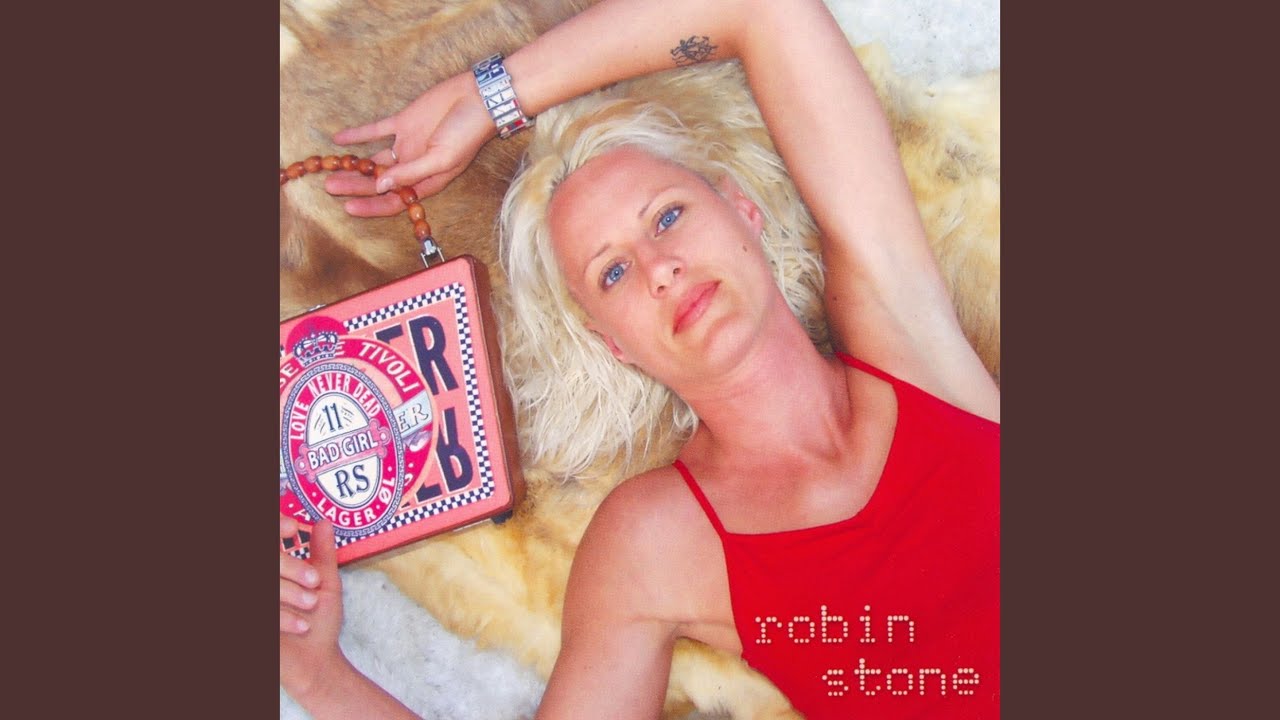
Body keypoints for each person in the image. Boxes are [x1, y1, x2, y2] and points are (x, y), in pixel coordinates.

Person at [279, 0, 1000, 718]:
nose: (660, 268)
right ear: (611, 342)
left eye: (668, 216)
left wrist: (489, 96)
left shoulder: (904, 335)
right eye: (613, 273)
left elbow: (765, 11)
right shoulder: (657, 542)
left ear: (742, 209)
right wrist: (319, 680)